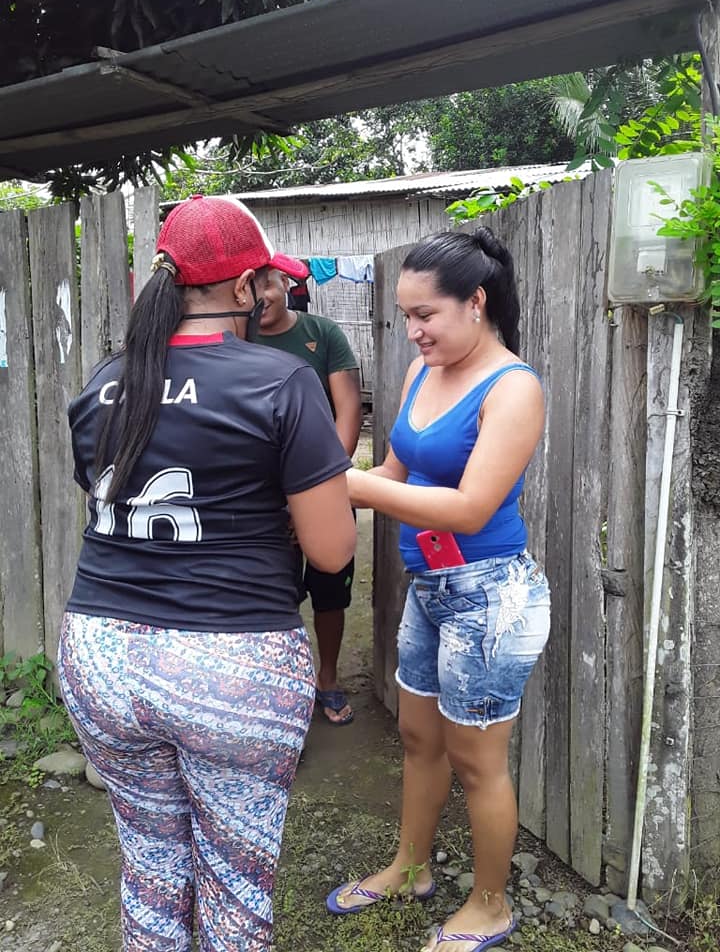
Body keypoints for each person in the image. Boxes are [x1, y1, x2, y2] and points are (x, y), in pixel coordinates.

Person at [58, 194, 357, 952]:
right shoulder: (280, 381)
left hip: (100, 657)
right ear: (243, 286)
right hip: (232, 663)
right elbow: (331, 552)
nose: (273, 292)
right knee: (234, 888)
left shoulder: (102, 383)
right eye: (266, 280)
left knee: (151, 868)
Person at [326, 228, 551, 952]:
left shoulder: (513, 388)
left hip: (489, 598)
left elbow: (470, 508)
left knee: (476, 761)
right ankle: (410, 868)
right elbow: (395, 470)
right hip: (429, 586)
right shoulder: (424, 372)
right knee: (419, 737)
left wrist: (352, 487)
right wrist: (329, 486)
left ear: (475, 302)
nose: (413, 331)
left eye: (425, 314)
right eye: (406, 315)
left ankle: (491, 905)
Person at [256, 269, 362, 726]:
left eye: (268, 284)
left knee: (330, 588)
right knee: (272, 593)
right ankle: (281, 690)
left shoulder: (324, 334)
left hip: (325, 484)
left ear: (286, 284)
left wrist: (320, 490)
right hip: (263, 497)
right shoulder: (235, 337)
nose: (260, 296)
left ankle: (328, 677)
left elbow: (349, 410)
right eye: (251, 286)